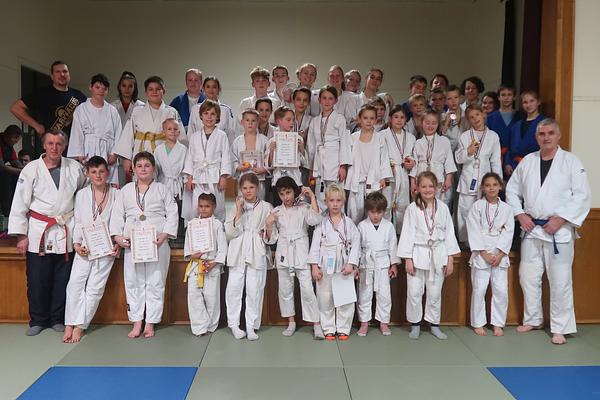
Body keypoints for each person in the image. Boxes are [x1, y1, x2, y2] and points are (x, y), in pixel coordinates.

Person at [506, 118, 591, 345]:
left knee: (560, 280)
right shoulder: (528, 161)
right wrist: (520, 214)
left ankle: (560, 327)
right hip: (532, 229)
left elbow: (582, 196)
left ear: (558, 135)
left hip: (558, 232)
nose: (546, 138)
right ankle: (533, 319)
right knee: (527, 277)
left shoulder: (571, 162)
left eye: (550, 133)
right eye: (542, 134)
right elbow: (512, 190)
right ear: (536, 137)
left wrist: (561, 219)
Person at [8, 129, 86, 336]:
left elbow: (84, 194)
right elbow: (19, 203)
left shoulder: (75, 168)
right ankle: (38, 320)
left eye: (59, 144)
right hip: (39, 230)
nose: (54, 148)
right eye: (50, 143)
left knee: (63, 279)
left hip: (66, 228)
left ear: (64, 146)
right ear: (44, 145)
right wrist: (21, 236)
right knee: (37, 279)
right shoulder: (31, 169)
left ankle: (57, 318)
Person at [111, 151, 178, 338]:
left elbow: (172, 212)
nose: (143, 169)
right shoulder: (125, 191)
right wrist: (117, 237)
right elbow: (117, 214)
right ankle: (137, 321)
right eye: (139, 166)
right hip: (133, 242)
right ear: (133, 169)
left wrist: (165, 234)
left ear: (153, 168)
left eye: (147, 166)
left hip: (157, 241)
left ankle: (150, 322)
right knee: (134, 281)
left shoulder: (162, 189)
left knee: (156, 282)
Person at [63, 156, 120, 343]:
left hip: (106, 247)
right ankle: (69, 323)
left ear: (108, 173)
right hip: (85, 246)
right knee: (75, 284)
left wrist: (117, 242)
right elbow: (78, 221)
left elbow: (119, 220)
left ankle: (80, 326)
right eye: (94, 172)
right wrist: (76, 244)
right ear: (87, 173)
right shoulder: (81, 195)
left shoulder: (116, 193)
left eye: (101, 171)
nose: (98, 175)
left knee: (95, 289)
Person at [397, 171, 460, 340]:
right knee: (414, 292)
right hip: (417, 253)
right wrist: (408, 259)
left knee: (435, 293)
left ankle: (434, 324)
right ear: (417, 188)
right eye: (423, 186)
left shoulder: (443, 208)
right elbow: (407, 234)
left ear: (437, 187)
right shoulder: (412, 209)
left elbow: (449, 234)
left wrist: (450, 259)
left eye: (431, 186)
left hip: (438, 254)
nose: (427, 190)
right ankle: (415, 324)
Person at [269, 177, 323, 338]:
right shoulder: (276, 211)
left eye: (288, 192)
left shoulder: (304, 207)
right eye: (282, 194)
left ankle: (316, 323)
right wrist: (269, 224)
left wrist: (312, 197)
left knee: (307, 289)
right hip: (284, 250)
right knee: (285, 289)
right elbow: (271, 239)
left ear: (295, 191)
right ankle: (291, 321)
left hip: (301, 250)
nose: (286, 197)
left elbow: (315, 220)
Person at [225, 173, 275, 341]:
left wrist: (268, 227)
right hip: (238, 248)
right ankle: (234, 324)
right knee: (234, 288)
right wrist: (239, 210)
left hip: (256, 249)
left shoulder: (267, 206)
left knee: (255, 289)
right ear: (240, 189)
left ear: (258, 188)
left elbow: (272, 237)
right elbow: (230, 232)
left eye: (251, 187)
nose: (248, 191)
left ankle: (251, 325)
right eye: (245, 188)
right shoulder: (236, 205)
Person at [308, 183, 361, 340]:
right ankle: (328, 327)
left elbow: (356, 244)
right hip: (325, 263)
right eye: (331, 200)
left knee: (345, 296)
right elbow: (315, 246)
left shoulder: (349, 223)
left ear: (343, 202)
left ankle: (344, 328)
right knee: (325, 296)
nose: (335, 204)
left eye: (338, 200)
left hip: (344, 263)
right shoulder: (321, 223)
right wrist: (314, 267)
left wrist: (351, 264)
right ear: (326, 201)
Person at [467, 172, 514, 337]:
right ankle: (478, 323)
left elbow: (508, 231)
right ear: (482, 188)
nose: (491, 188)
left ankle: (498, 323)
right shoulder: (477, 206)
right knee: (479, 289)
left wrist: (500, 254)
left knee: (501, 290)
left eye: (494, 185)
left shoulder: (507, 209)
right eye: (487, 185)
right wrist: (483, 252)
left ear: (500, 186)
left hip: (499, 251)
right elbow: (473, 229)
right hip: (481, 251)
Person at [113, 75, 186, 177]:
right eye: (151, 89)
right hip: (141, 152)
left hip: (164, 153)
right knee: (141, 180)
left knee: (164, 180)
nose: (154, 92)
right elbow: (128, 135)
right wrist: (127, 158)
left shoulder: (171, 112)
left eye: (158, 89)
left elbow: (180, 137)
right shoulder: (137, 111)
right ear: (146, 93)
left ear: (164, 91)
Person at [454, 105, 502, 244]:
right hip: (468, 177)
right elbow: (458, 158)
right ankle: (465, 241)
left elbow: (495, 161)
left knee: (484, 211)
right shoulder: (465, 136)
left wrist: (497, 182)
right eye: (471, 117)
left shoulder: (493, 136)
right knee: (465, 211)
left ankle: (483, 241)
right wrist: (468, 152)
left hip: (485, 179)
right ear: (468, 120)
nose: (475, 119)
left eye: (477, 115)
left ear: (483, 114)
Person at [184, 193, 227, 336]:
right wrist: (191, 255)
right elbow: (187, 246)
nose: (203, 209)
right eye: (201, 206)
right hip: (196, 265)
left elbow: (222, 247)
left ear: (214, 207)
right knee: (194, 296)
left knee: (211, 297)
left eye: (207, 206)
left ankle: (210, 326)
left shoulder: (217, 224)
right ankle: (199, 327)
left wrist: (215, 262)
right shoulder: (192, 224)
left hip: (211, 265)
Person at [356, 192, 399, 336]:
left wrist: (394, 264)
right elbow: (356, 247)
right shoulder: (362, 226)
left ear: (384, 211)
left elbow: (393, 246)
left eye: (379, 212)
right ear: (367, 211)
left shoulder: (389, 226)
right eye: (372, 212)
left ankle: (384, 322)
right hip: (366, 263)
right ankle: (364, 323)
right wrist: (356, 266)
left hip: (383, 263)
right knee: (364, 294)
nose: (375, 215)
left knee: (384, 294)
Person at [67, 73, 122, 185]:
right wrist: (79, 154)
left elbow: (119, 133)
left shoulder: (112, 111)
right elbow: (77, 132)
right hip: (88, 151)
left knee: (109, 184)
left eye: (104, 89)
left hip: (108, 152)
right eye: (97, 87)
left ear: (107, 91)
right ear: (90, 87)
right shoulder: (81, 109)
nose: (101, 91)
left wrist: (115, 154)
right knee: (88, 183)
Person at [183, 100, 232, 223]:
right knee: (197, 205)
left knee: (217, 206)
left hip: (215, 177)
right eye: (206, 113)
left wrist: (223, 177)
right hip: (198, 177)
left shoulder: (222, 135)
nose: (209, 117)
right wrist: (189, 177)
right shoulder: (194, 136)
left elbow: (226, 156)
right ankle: (197, 228)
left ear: (218, 117)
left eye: (213, 114)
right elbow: (190, 157)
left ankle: (218, 228)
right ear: (201, 116)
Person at [10, 61, 86, 137]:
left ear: (69, 75)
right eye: (58, 72)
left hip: (75, 142)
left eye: (65, 71)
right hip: (51, 141)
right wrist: (36, 125)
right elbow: (15, 108)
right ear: (52, 76)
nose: (62, 74)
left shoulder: (78, 95)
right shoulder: (42, 93)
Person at [307, 86, 352, 211]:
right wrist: (311, 168)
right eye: (324, 98)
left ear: (336, 100)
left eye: (330, 98)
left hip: (335, 162)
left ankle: (338, 221)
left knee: (336, 196)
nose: (327, 101)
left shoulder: (340, 118)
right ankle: (321, 222)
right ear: (319, 100)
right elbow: (311, 146)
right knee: (320, 196)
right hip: (319, 162)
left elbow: (345, 142)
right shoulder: (314, 121)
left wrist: (343, 166)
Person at [345, 104, 392, 224]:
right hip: (357, 180)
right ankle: (353, 234)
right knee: (355, 213)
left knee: (373, 211)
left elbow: (384, 158)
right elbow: (348, 159)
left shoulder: (379, 138)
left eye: (372, 118)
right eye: (365, 118)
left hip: (374, 179)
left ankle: (371, 235)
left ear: (376, 120)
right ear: (359, 119)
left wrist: (383, 177)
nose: (369, 121)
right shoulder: (353, 138)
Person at [410, 111, 457, 209]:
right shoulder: (418, 142)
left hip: (438, 178)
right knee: (421, 206)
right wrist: (413, 182)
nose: (430, 126)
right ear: (422, 123)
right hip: (421, 178)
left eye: (434, 123)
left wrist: (448, 179)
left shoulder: (444, 141)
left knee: (439, 206)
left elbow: (449, 162)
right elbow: (415, 164)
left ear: (438, 124)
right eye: (427, 123)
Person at [381, 105, 416, 231]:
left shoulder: (411, 137)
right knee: (386, 205)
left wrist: (412, 162)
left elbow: (414, 156)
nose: (399, 120)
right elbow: (379, 156)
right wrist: (386, 167)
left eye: (402, 117)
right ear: (390, 118)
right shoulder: (382, 135)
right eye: (396, 117)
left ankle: (401, 234)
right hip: (389, 174)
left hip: (404, 173)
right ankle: (385, 233)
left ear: (406, 119)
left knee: (403, 205)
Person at [504, 91, 546, 178]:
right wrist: (507, 163)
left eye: (532, 101)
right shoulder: (516, 125)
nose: (528, 105)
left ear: (538, 102)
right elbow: (509, 148)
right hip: (515, 167)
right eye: (525, 102)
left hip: (534, 166)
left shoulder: (544, 123)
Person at [230, 109, 269, 200]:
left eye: (253, 121)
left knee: (259, 204)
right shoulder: (237, 141)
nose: (250, 123)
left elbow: (269, 159)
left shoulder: (264, 140)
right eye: (247, 120)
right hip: (243, 180)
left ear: (258, 122)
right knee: (243, 205)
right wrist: (238, 167)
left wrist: (264, 169)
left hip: (259, 180)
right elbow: (232, 159)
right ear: (242, 122)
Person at [266, 106, 307, 191]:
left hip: (295, 180)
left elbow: (304, 163)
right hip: (278, 180)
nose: (292, 122)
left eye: (293, 120)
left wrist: (302, 149)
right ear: (279, 121)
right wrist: (271, 152)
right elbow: (268, 165)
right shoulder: (272, 141)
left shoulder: (298, 139)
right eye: (288, 120)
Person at [188, 76, 238, 144]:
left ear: (218, 89)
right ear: (203, 89)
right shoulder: (196, 109)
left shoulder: (226, 110)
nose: (211, 90)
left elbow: (231, 135)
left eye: (214, 87)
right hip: (199, 147)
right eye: (208, 87)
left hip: (220, 147)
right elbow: (191, 133)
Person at [486, 85, 518, 169]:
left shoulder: (520, 117)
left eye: (509, 95)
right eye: (503, 95)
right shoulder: (491, 118)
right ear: (498, 97)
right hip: (495, 157)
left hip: (515, 159)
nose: (506, 98)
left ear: (514, 97)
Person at [0, 125, 24, 217]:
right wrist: (21, 172)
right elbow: (2, 167)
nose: (17, 141)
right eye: (16, 138)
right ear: (10, 136)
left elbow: (16, 163)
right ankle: (7, 212)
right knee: (6, 176)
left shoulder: (9, 145)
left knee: (19, 178)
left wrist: (28, 170)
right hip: (2, 171)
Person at [441, 85, 470, 152]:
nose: (453, 101)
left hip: (465, 152)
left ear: (460, 98)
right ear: (445, 101)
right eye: (449, 99)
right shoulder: (442, 117)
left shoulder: (467, 116)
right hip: (448, 153)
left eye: (456, 97)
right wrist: (446, 123)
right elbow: (441, 139)